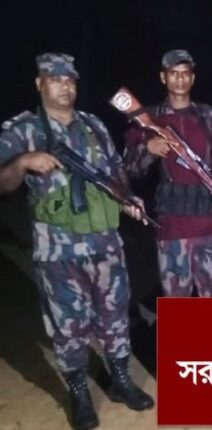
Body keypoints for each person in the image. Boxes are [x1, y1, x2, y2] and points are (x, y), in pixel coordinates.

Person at [0, 53, 153, 430]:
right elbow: (3, 182)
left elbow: (115, 173)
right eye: (55, 80)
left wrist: (129, 199)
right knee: (68, 327)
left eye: (70, 80)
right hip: (59, 251)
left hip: (106, 244)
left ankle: (120, 381)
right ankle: (80, 395)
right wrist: (23, 162)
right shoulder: (22, 129)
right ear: (40, 84)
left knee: (115, 315)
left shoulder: (93, 125)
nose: (64, 86)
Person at [123, 49, 212, 298]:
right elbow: (129, 169)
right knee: (177, 307)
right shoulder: (150, 118)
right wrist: (148, 148)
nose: (180, 79)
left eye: (185, 73)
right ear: (163, 77)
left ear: (192, 78)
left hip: (210, 225)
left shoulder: (209, 116)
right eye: (173, 73)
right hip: (173, 227)